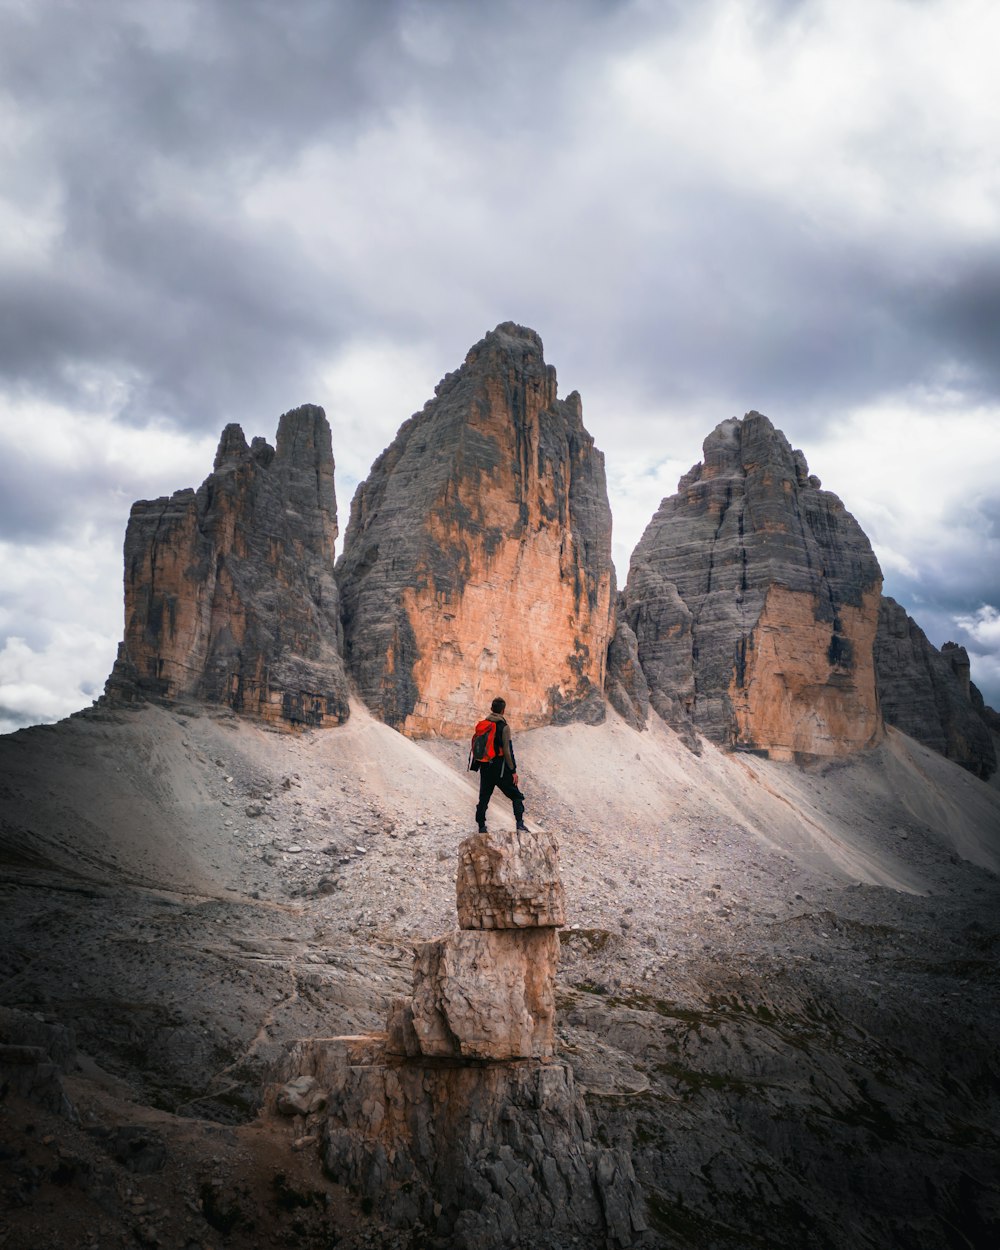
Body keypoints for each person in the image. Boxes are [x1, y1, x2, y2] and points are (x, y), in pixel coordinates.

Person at [474, 696, 527, 833]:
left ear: (491, 709)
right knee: (516, 795)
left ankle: (481, 827)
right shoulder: (504, 727)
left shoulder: (484, 724)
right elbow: (508, 751)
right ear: (503, 711)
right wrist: (513, 770)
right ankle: (520, 824)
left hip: (485, 766)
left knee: (484, 797)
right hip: (500, 768)